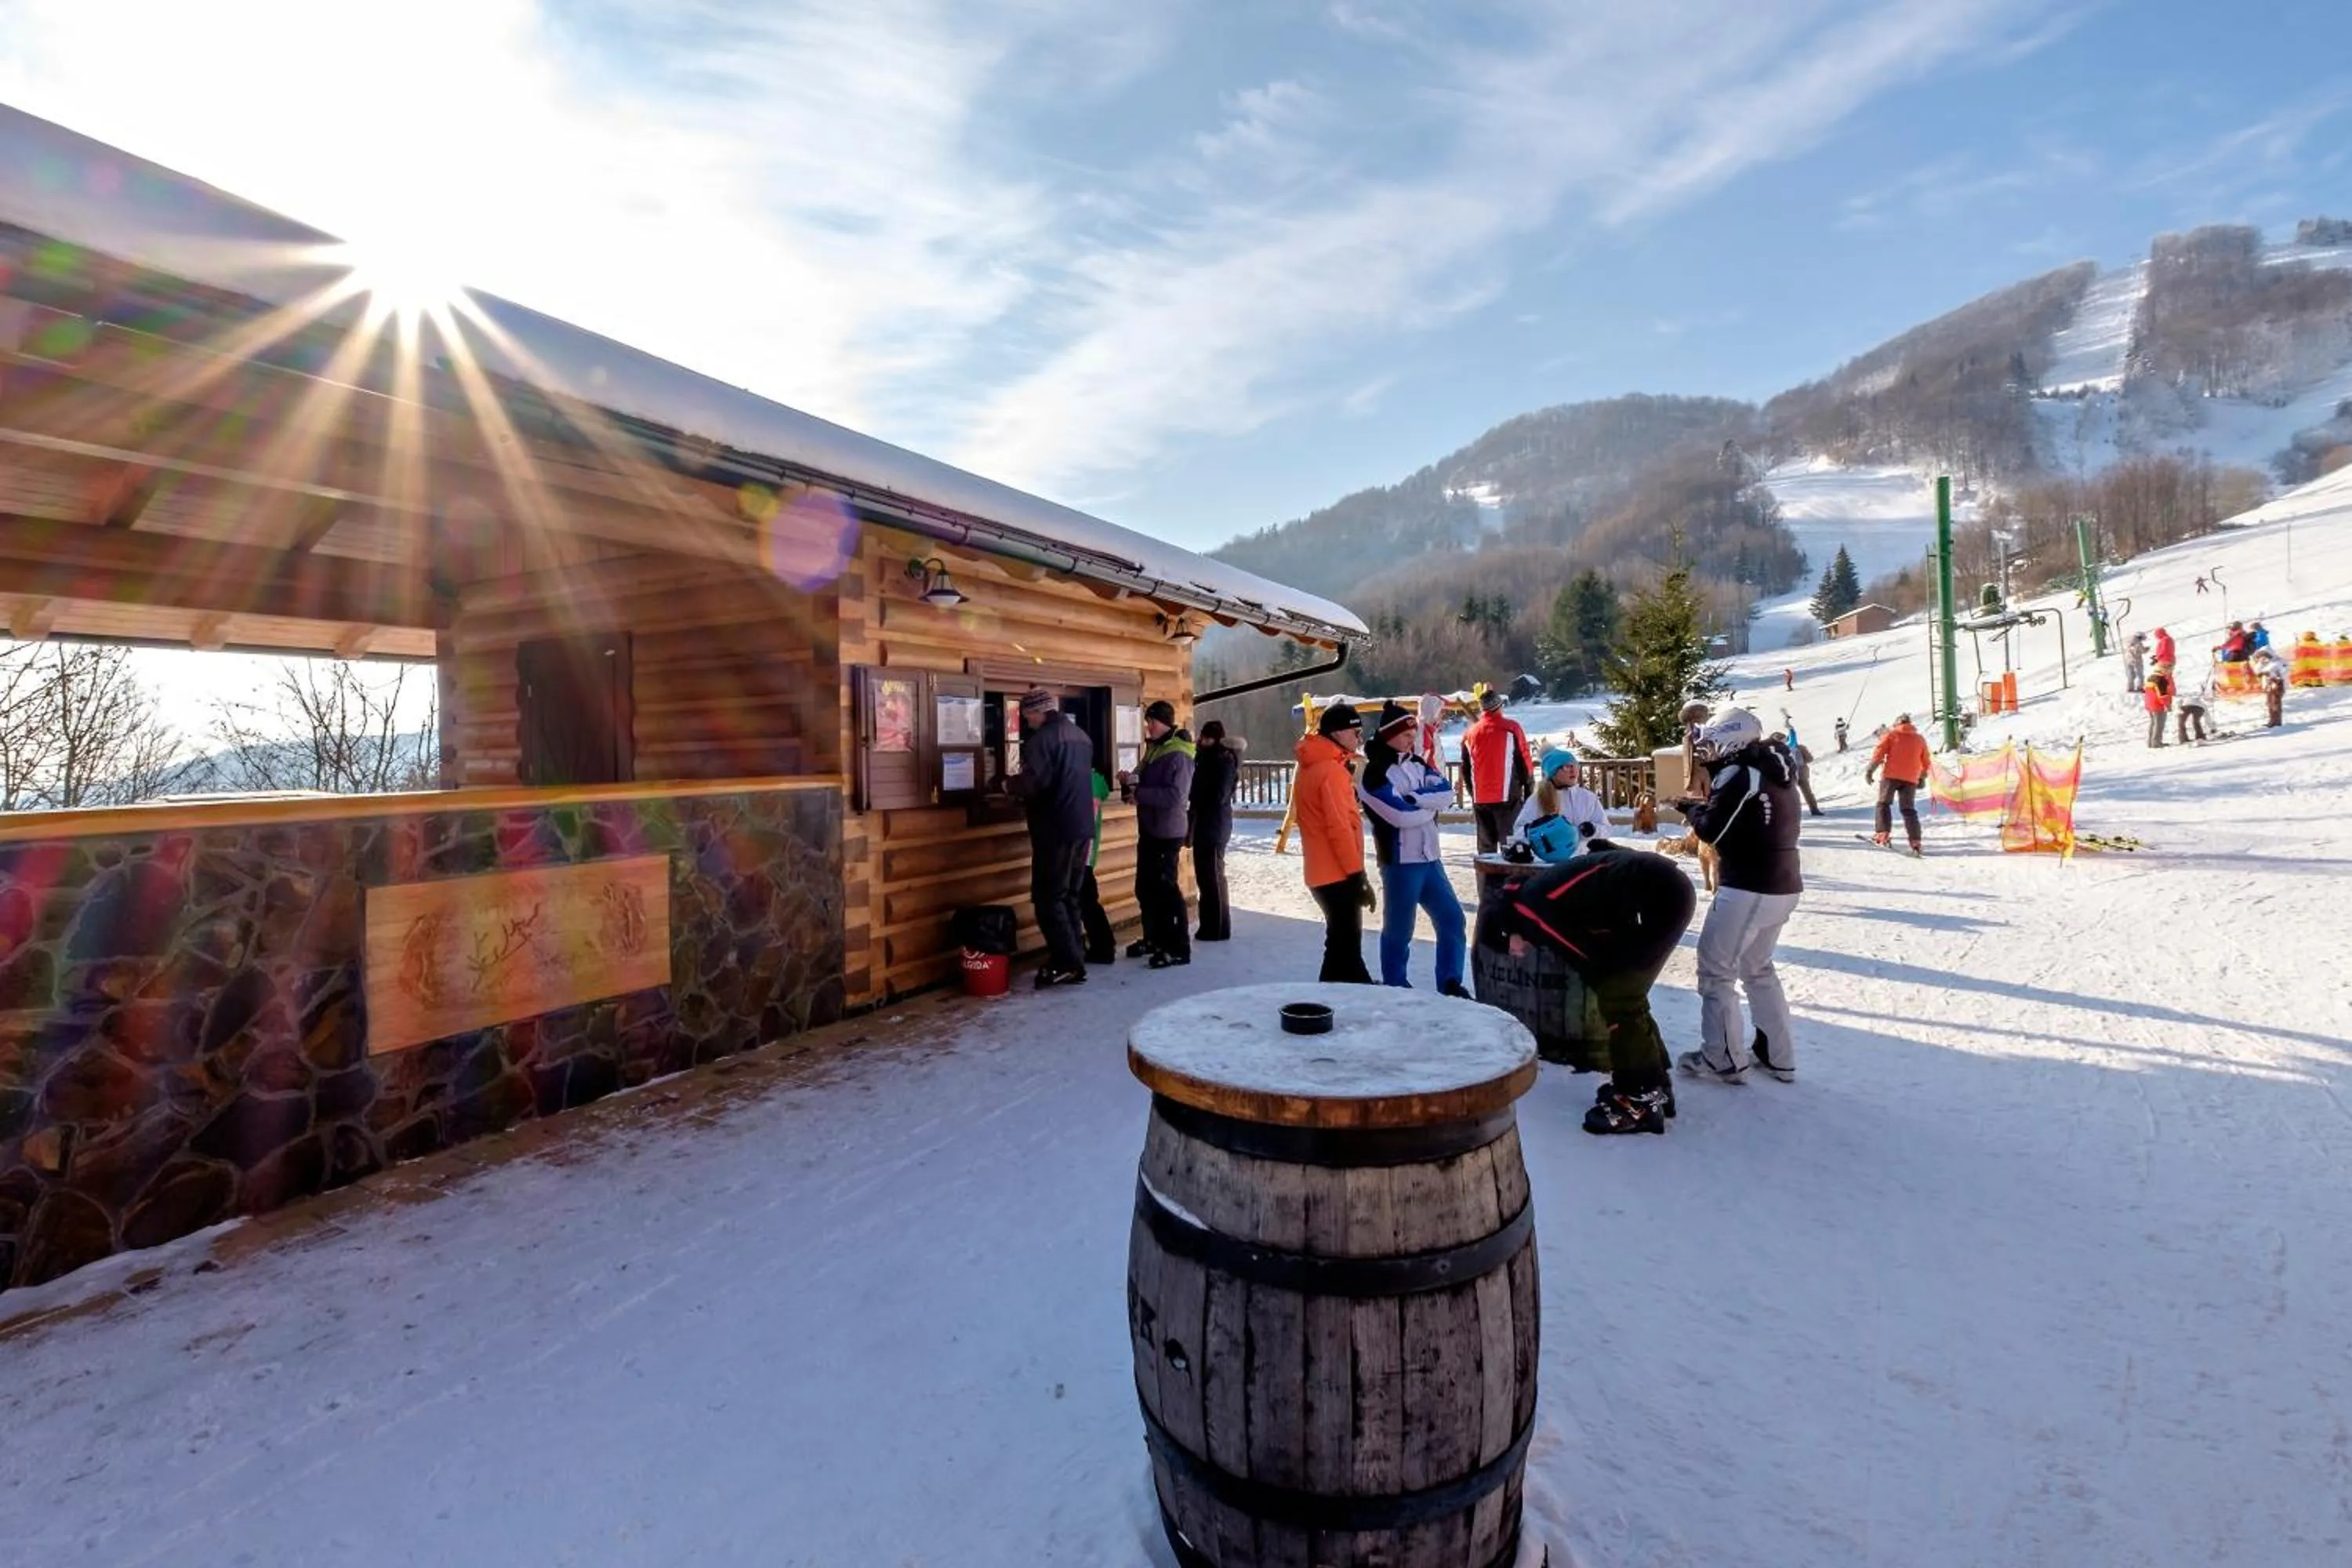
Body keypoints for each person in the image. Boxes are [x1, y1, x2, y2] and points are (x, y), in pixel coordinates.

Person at [1481, 841, 1697, 1134]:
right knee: (1626, 993)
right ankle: (1655, 1087)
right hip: (1662, 886)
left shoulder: (1528, 910)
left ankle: (1639, 1100)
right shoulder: (1532, 892)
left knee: (1620, 997)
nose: (1518, 954)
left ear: (1508, 930)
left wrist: (1607, 980)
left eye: (1511, 948)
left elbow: (1580, 951)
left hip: (1661, 895)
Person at [1674, 707, 1803, 1085]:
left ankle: (1723, 1058)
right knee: (1757, 968)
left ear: (1732, 741)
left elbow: (1714, 830)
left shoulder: (1740, 773)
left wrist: (1693, 809)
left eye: (1714, 743)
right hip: (1782, 882)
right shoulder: (1774, 770)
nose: (1709, 751)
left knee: (1716, 972)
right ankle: (1777, 1055)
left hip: (1749, 885)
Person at [1358, 703, 1468, 995]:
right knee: (1399, 930)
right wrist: (1428, 808)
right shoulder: (1374, 774)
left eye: (1413, 732)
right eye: (1407, 733)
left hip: (1431, 858)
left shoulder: (1417, 763)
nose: (1412, 737)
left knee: (1452, 919)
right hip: (1399, 862)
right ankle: (1396, 987)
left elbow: (1447, 793)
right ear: (1390, 735)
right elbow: (1399, 817)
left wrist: (1414, 798)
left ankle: (1451, 982)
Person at [1005, 688, 1094, 987]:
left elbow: (1035, 783)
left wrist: (1006, 785)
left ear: (1037, 712)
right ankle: (1075, 955)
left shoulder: (1041, 740)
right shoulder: (1080, 736)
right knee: (1068, 895)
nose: (1026, 720)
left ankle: (1067, 963)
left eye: (1027, 714)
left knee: (1047, 898)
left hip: (1055, 829)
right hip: (1082, 827)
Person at [1294, 702, 1374, 983]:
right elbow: (1339, 828)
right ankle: (1359, 1001)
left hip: (1322, 871)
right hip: (1336, 873)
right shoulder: (1330, 771)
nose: (1358, 738)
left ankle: (1328, 1002)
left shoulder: (1316, 765)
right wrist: (1356, 875)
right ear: (1338, 733)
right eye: (1355, 731)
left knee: (1340, 946)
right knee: (1347, 948)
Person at [1122, 699, 1195, 968]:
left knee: (1166, 891)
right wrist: (1128, 783)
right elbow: (1144, 779)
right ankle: (1154, 939)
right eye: (1147, 721)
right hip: (1151, 829)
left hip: (1168, 832)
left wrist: (1140, 794)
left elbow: (1176, 795)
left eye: (1152, 721)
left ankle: (1178, 948)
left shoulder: (1178, 753)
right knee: (1146, 888)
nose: (1148, 726)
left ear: (1164, 722)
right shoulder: (1155, 750)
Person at [1461, 689, 1537, 855]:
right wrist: (1529, 791)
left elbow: (1465, 769)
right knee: (1511, 847)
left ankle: (1486, 880)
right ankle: (1510, 881)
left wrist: (1472, 793)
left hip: (1480, 798)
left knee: (1486, 850)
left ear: (1483, 709)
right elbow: (1524, 761)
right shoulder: (1511, 728)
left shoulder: (1470, 733)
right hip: (1507, 798)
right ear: (1500, 706)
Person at [1189, 720, 1240, 943]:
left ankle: (1215, 927)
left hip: (1213, 825)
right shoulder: (1212, 759)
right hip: (1211, 824)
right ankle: (1216, 926)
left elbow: (1218, 795)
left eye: (1206, 738)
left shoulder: (1221, 761)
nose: (1202, 741)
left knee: (1211, 877)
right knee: (1211, 876)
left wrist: (1196, 795)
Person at [1512, 747, 1610, 851]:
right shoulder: (1537, 799)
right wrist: (1531, 831)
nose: (1573, 771)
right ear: (1553, 772)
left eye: (1575, 766)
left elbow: (1606, 829)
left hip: (1584, 859)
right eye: (1567, 767)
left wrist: (1593, 830)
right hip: (1549, 862)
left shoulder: (1588, 798)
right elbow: (1519, 831)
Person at [1864, 713, 1929, 853]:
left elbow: (1879, 754)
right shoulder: (1919, 739)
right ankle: (1916, 842)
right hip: (1911, 779)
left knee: (1883, 804)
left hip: (1891, 776)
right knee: (1908, 810)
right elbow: (1926, 761)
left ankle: (1883, 834)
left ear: (1897, 724)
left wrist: (1870, 771)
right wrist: (1922, 777)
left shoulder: (1892, 735)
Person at [1079, 768, 1117, 966]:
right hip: (1087, 852)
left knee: (1084, 901)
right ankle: (1103, 946)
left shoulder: (1080, 780)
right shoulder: (1095, 780)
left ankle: (1102, 947)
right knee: (1087, 902)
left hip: (1079, 852)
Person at [1773, 730, 1823, 816]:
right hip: (1799, 773)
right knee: (1807, 792)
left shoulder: (1779, 749)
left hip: (1790, 774)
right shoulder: (1798, 747)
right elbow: (1809, 759)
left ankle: (1789, 813)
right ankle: (1814, 810)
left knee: (1790, 794)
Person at [2253, 646, 2288, 728]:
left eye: (2265, 655)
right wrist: (2260, 663)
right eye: (2261, 656)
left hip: (2277, 685)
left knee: (2275, 703)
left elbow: (2285, 671)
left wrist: (2274, 676)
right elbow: (2257, 671)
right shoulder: (2263, 664)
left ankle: (2277, 721)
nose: (2263, 658)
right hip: (2267, 686)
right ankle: (2272, 720)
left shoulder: (2278, 662)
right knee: (2269, 704)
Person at [2143, 663, 2175, 747]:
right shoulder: (2161, 680)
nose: (2170, 672)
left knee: (2153, 723)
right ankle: (2156, 742)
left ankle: (2150, 742)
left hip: (2149, 704)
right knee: (2159, 724)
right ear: (2165, 669)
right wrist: (2167, 705)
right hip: (2158, 705)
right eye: (2170, 670)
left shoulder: (2150, 678)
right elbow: (2163, 695)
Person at [2176, 676, 2211, 746]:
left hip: (2192, 706)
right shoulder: (2198, 700)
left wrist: (2178, 711)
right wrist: (2212, 727)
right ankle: (2199, 737)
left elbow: (2206, 713)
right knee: (2195, 721)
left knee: (2183, 722)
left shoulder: (2198, 700)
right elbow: (2207, 716)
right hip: (2190, 706)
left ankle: (2183, 738)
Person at [2123, 632, 2147, 697]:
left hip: (2128, 660)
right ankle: (2140, 688)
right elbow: (2143, 651)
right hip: (2137, 661)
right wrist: (2147, 649)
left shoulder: (2128, 642)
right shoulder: (2139, 643)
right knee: (2140, 675)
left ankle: (2130, 688)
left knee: (2131, 675)